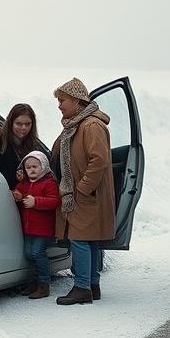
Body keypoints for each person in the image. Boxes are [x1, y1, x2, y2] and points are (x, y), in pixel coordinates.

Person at [49, 78, 115, 306]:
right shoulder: (76, 124)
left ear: (77, 101)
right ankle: (92, 285)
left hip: (85, 195)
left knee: (79, 239)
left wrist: (82, 188)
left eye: (63, 100)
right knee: (90, 240)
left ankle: (82, 288)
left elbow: (99, 160)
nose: (59, 105)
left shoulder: (90, 125)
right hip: (84, 194)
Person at [12, 151, 61, 299]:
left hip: (43, 229)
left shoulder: (49, 182)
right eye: (28, 167)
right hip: (28, 228)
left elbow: (54, 201)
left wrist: (36, 202)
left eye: (35, 166)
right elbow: (19, 190)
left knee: (37, 252)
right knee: (28, 253)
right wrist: (17, 194)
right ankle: (35, 281)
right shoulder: (25, 183)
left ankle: (44, 284)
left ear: (44, 166)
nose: (31, 170)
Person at [0, 103, 39, 188]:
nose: (24, 128)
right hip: (1, 191)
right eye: (19, 124)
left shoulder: (34, 145)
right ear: (11, 123)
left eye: (28, 124)